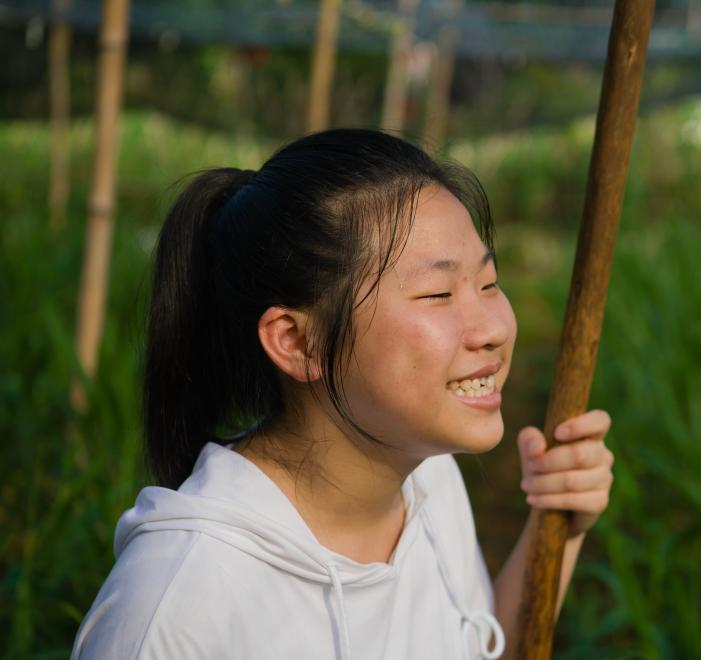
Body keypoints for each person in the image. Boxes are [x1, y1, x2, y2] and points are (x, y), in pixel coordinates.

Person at [71, 129, 614, 659]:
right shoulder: (175, 607)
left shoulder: (427, 476)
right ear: (298, 341)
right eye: (438, 293)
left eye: (489, 283)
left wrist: (558, 523)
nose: (493, 327)